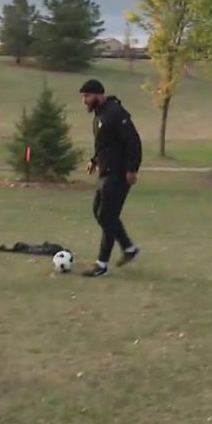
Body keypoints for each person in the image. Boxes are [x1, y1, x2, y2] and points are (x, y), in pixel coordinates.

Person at [79, 78, 142, 278]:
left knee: (107, 216)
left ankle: (102, 264)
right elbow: (105, 144)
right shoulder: (100, 115)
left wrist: (132, 169)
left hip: (119, 173)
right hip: (105, 172)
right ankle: (129, 248)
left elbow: (133, 141)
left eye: (87, 96)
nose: (85, 101)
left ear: (98, 94)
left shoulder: (115, 113)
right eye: (83, 97)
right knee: (100, 213)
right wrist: (94, 160)